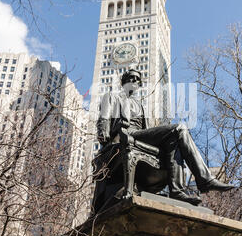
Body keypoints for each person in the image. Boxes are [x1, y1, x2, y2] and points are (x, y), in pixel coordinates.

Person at [97, 69, 234, 205]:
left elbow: (146, 130)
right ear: (123, 81)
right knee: (179, 129)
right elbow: (104, 118)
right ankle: (205, 180)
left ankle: (177, 191)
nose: (135, 81)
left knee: (174, 142)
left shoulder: (140, 106)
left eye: (138, 79)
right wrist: (103, 135)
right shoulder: (112, 97)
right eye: (131, 77)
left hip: (140, 136)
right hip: (126, 134)